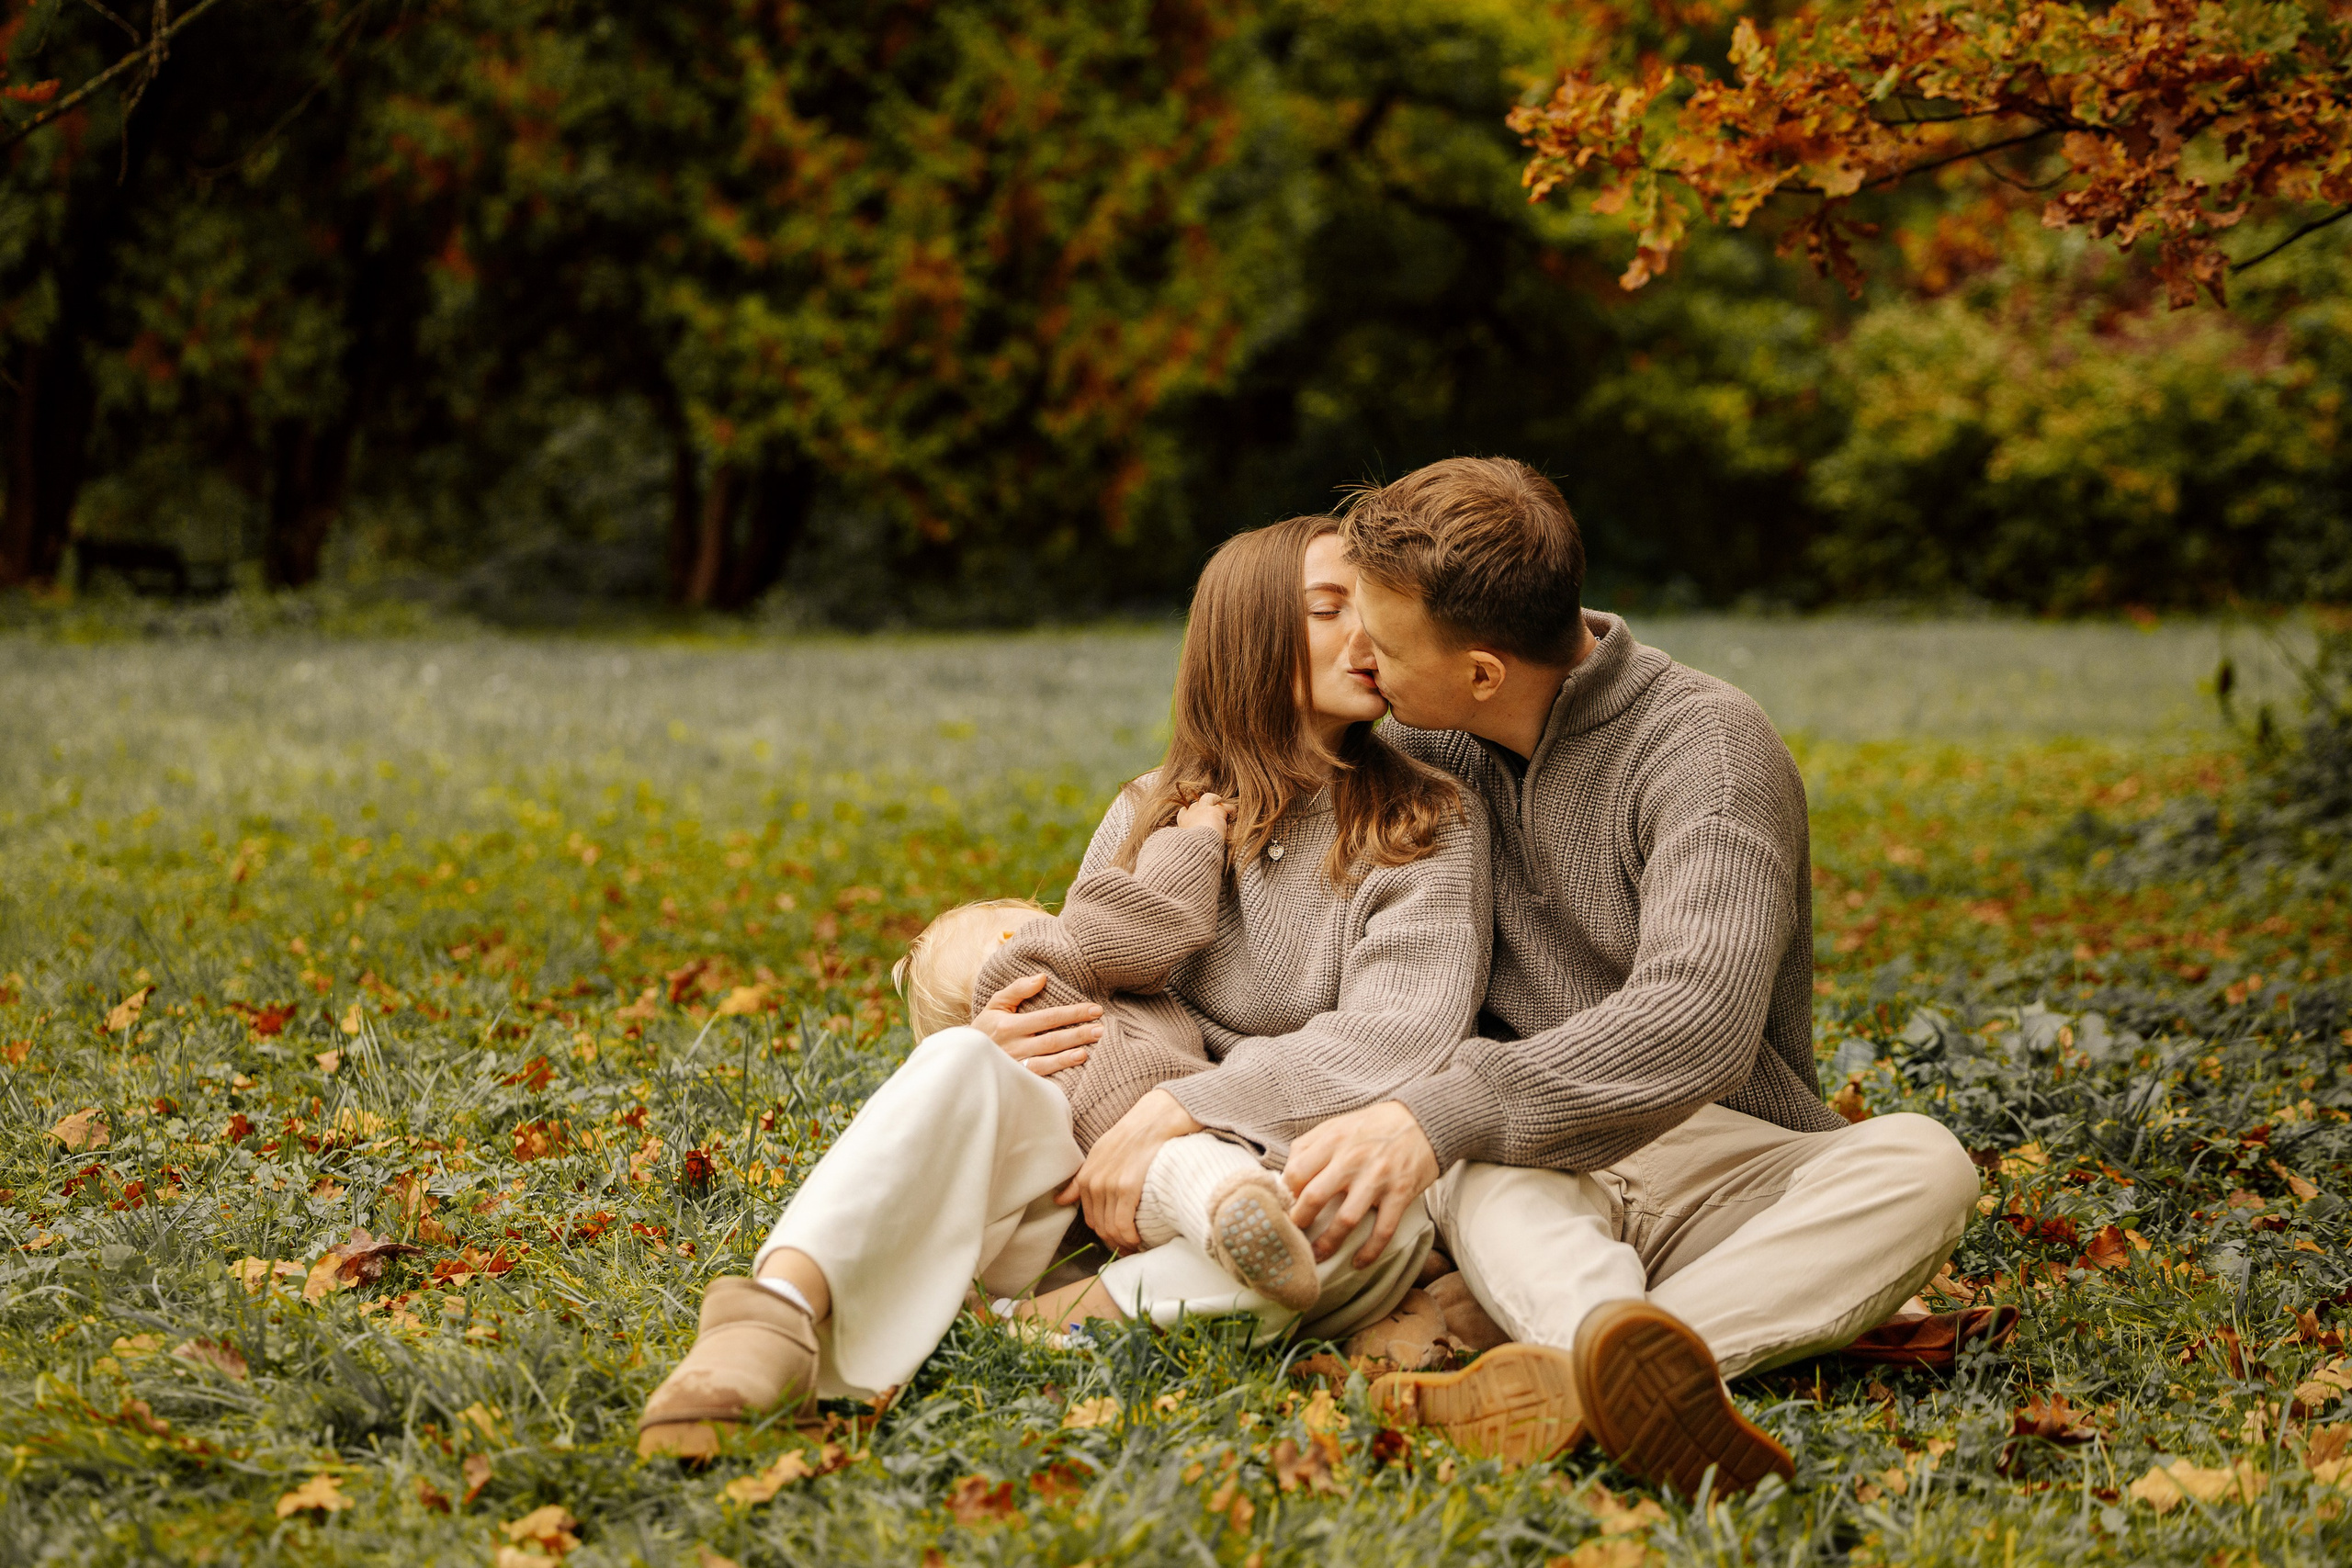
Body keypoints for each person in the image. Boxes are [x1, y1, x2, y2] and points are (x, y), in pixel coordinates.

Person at [635, 513, 1494, 1457]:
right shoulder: (1150, 805)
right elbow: (1083, 964)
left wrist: (1180, 1110)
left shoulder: (1425, 818)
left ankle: (1028, 1327)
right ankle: (771, 1320)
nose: (1365, 637)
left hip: (1288, 1165)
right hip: (1096, 1165)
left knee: (1341, 1218)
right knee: (968, 1055)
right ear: (1247, 634)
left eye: (1368, 609)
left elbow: (1396, 1038)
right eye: (1328, 610)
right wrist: (1014, 1035)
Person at [1277, 457, 1980, 1495]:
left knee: (1926, 1167)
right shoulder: (1427, 744)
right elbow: (1269, 875)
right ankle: (1634, 1368)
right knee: (1487, 1170)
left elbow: (1697, 1019)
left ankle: (1578, 1372)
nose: (1360, 660)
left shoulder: (1709, 751)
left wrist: (1434, 1114)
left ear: (1480, 671)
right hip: (1530, 1160)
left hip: (1719, 1149)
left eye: (1379, 642)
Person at [888, 786, 1324, 1310]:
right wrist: (1195, 840)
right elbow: (1147, 920)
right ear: (1008, 942)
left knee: (1172, 1204)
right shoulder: (1033, 968)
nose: (1061, 919)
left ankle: (1247, 1233)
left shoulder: (1015, 1062)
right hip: (1139, 1122)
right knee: (1195, 1173)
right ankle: (1237, 1209)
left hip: (1106, 1199)